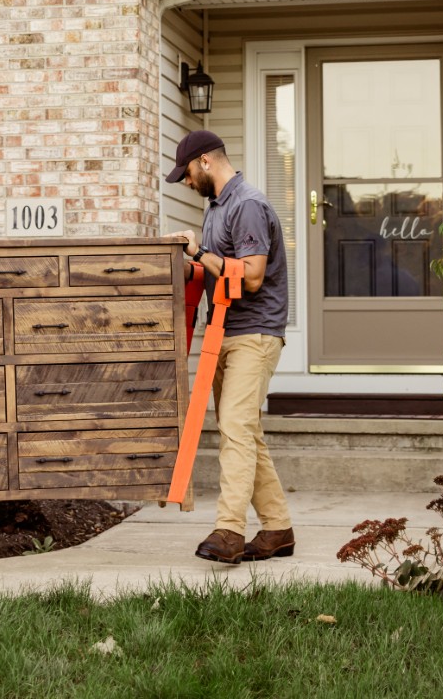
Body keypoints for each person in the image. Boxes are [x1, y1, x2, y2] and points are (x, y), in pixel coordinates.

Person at [167, 128, 294, 564]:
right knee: (244, 433)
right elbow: (217, 271)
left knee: (236, 430)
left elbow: (253, 275)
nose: (184, 182)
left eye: (185, 173)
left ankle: (229, 531)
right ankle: (277, 529)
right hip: (224, 330)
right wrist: (188, 267)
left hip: (254, 333)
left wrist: (201, 254)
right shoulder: (216, 208)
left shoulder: (248, 205)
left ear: (205, 161)